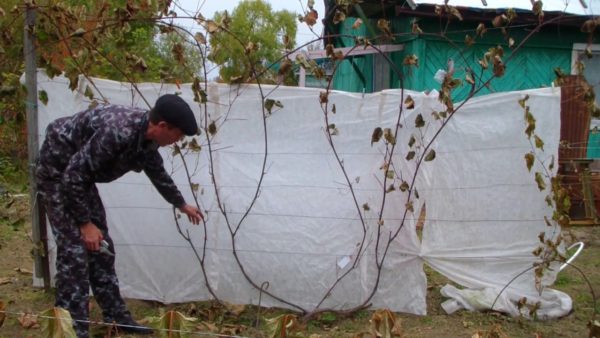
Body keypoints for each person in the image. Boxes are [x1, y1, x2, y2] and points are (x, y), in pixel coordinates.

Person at [36, 94, 204, 337]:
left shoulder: (147, 137)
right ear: (162, 126)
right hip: (57, 172)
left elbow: (155, 170)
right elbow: (72, 175)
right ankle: (72, 328)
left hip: (79, 178)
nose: (178, 140)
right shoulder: (118, 132)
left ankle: (117, 317)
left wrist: (181, 204)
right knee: (74, 251)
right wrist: (85, 224)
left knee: (102, 246)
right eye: (178, 134)